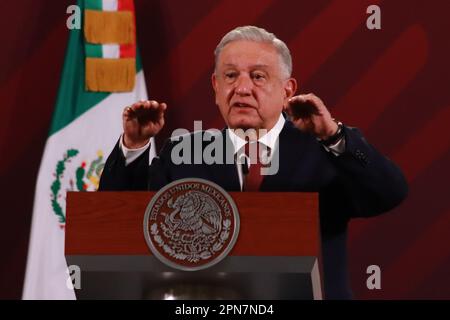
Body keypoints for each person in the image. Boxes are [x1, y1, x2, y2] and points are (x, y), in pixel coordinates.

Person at [99, 26, 408, 299]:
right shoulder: (184, 152)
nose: (242, 88)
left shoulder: (327, 147)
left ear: (288, 90)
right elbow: (116, 229)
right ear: (216, 88)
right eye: (230, 76)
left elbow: (389, 193)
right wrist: (136, 146)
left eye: (258, 76)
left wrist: (333, 136)